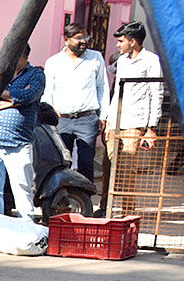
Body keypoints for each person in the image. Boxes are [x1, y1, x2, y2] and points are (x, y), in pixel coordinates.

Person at [103, 20, 162, 214]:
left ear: (133, 41)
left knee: (128, 169)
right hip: (116, 122)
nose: (118, 45)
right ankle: (107, 207)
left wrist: (151, 128)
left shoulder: (151, 60)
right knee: (111, 166)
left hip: (135, 122)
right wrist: (109, 121)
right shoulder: (122, 61)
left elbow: (156, 92)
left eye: (121, 41)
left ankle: (128, 212)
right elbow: (115, 93)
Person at [0, 43, 45, 220]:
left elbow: (29, 95)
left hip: (18, 142)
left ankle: (27, 227)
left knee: (22, 188)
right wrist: (14, 99)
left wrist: (3, 95)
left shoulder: (36, 74)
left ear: (22, 56)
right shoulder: (1, 74)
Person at [44, 23, 108, 184]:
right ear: (66, 40)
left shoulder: (96, 58)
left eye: (85, 37)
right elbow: (47, 92)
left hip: (87, 119)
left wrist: (103, 116)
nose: (84, 41)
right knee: (61, 161)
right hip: (61, 120)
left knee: (86, 162)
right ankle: (63, 198)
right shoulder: (54, 62)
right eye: (79, 38)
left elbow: (102, 87)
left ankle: (85, 198)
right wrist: (50, 115)